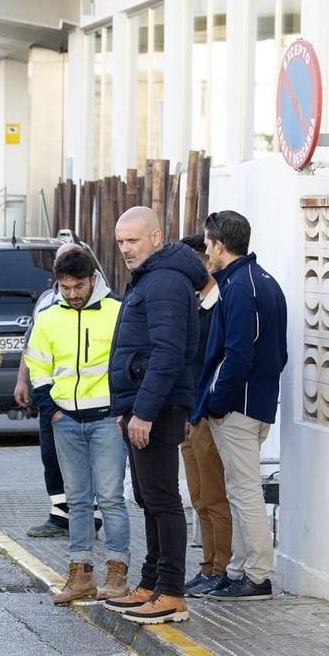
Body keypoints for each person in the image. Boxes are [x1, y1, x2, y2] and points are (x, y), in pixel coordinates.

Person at [104, 206, 204, 624]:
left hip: (157, 407)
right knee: (147, 497)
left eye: (133, 240)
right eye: (121, 241)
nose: (126, 249)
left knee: (162, 499)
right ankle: (151, 584)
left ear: (157, 237)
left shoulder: (164, 280)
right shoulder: (151, 277)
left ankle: (172, 593)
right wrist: (126, 408)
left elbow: (166, 354)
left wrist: (142, 411)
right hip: (142, 405)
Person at [21, 245, 130, 606]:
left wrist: (121, 410)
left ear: (93, 279)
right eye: (65, 288)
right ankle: (80, 574)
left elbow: (129, 363)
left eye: (79, 287)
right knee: (77, 501)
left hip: (107, 421)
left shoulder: (117, 311)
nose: (73, 294)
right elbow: (38, 364)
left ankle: (117, 573)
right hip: (65, 420)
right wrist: (50, 408)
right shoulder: (50, 316)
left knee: (111, 498)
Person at [191, 210, 288, 600]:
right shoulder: (263, 281)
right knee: (239, 489)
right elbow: (276, 352)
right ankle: (238, 571)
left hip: (239, 408)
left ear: (218, 244)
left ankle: (257, 576)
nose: (205, 251)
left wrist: (216, 402)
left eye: (207, 243)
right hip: (257, 403)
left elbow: (237, 356)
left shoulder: (239, 287)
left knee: (245, 491)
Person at [14, 241, 88, 540]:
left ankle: (89, 518)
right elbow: (32, 345)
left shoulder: (101, 303)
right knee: (51, 457)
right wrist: (22, 380)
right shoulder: (46, 301)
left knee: (85, 463)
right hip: (51, 396)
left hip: (85, 400)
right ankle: (59, 516)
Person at [178, 234, 233, 597]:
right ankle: (207, 566)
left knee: (214, 495)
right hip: (188, 412)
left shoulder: (223, 306)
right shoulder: (193, 306)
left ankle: (222, 568)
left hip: (209, 412)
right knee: (197, 495)